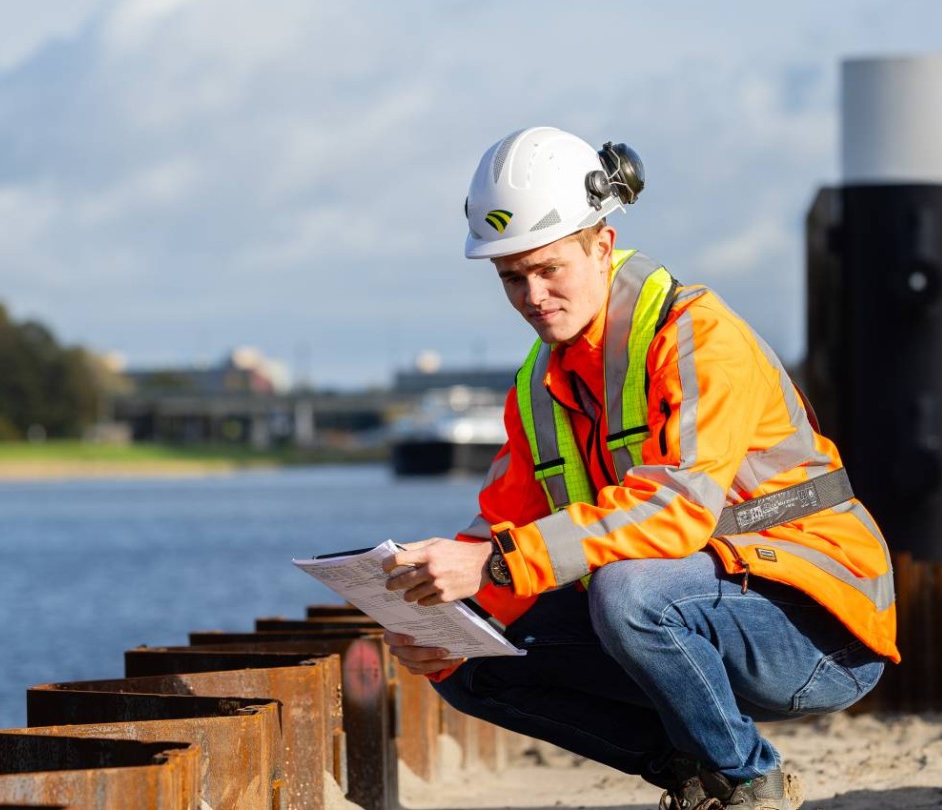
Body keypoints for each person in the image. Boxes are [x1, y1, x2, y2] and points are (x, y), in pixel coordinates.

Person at [381, 126, 898, 810]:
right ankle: (694, 773)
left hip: (821, 631)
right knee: (470, 658)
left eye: (549, 269)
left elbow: (675, 507)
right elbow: (508, 522)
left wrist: (495, 565)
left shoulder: (701, 339)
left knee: (627, 593)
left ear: (602, 245)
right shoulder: (539, 387)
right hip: (696, 608)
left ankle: (750, 782)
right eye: (512, 277)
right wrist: (448, 618)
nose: (533, 296)